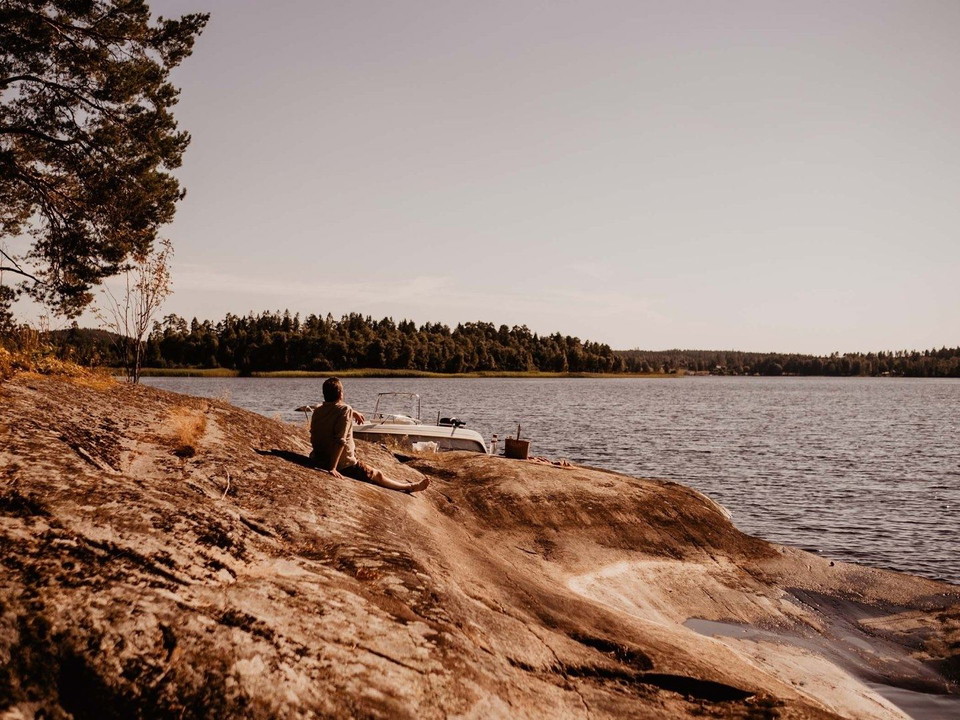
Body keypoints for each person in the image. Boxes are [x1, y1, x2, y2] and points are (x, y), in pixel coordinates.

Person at [310, 377, 429, 493]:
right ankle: (409, 487)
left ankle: (408, 486)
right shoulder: (345, 409)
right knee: (377, 474)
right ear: (341, 394)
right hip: (344, 465)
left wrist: (353, 413)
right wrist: (332, 468)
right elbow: (340, 440)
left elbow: (330, 413)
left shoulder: (318, 410)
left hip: (319, 459)